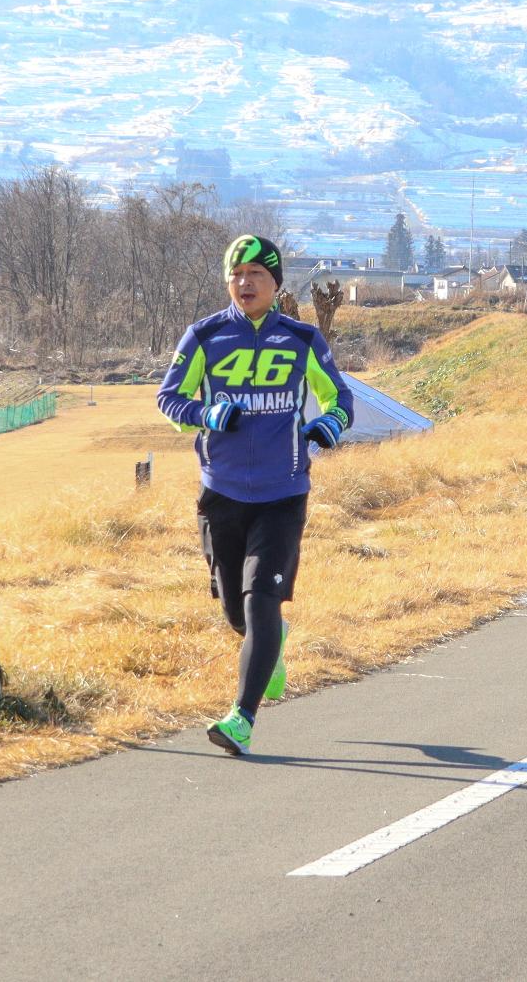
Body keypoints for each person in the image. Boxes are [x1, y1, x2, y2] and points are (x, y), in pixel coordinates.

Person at [157, 235, 354, 756]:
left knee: (261, 599)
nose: (245, 283)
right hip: (221, 494)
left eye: (256, 275)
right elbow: (169, 398)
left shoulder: (303, 339)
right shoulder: (203, 337)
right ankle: (272, 645)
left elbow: (340, 396)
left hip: (283, 491)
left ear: (275, 283)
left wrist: (330, 423)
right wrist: (205, 414)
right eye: (236, 274)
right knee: (236, 615)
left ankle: (240, 719)